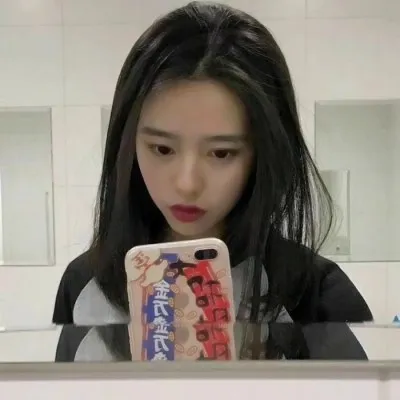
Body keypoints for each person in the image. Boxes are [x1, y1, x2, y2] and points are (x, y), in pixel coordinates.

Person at [52, 1, 372, 361]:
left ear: (263, 154)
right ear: (128, 143)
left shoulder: (315, 291)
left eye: (221, 153)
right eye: (162, 149)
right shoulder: (85, 283)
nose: (187, 184)